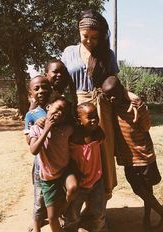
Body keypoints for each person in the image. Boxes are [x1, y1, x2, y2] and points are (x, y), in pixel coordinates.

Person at [62, 9, 133, 198]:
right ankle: (74, 206)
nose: (89, 41)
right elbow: (60, 82)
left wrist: (130, 96)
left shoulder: (107, 54)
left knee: (102, 153)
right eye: (85, 36)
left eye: (95, 37)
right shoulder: (69, 52)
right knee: (77, 153)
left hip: (102, 111)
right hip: (76, 109)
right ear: (78, 32)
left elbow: (114, 83)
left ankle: (100, 207)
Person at [102, 76, 163, 232]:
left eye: (115, 93)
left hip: (143, 154)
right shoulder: (111, 107)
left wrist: (141, 110)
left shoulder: (135, 106)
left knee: (143, 189)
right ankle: (151, 218)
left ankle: (158, 215)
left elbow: (146, 127)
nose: (112, 98)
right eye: (109, 95)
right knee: (140, 189)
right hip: (128, 157)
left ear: (121, 90)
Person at [29, 96, 78, 232]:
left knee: (73, 187)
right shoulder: (36, 129)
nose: (60, 113)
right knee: (51, 218)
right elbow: (33, 150)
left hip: (65, 170)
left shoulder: (67, 129)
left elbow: (78, 128)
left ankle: (63, 209)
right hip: (48, 176)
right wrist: (46, 129)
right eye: (58, 108)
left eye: (64, 112)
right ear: (48, 107)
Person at [64, 102, 108, 232]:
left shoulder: (98, 133)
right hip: (80, 183)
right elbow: (67, 156)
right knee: (73, 215)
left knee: (99, 212)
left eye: (96, 116)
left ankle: (100, 229)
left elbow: (102, 137)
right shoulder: (74, 136)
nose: (94, 120)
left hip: (96, 181)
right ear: (79, 120)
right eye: (89, 117)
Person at [24, 75, 51, 232]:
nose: (41, 91)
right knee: (39, 195)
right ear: (31, 93)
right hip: (40, 164)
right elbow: (29, 141)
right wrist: (38, 127)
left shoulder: (58, 107)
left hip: (58, 160)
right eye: (36, 89)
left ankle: (57, 216)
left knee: (57, 193)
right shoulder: (31, 115)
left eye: (44, 87)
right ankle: (37, 222)